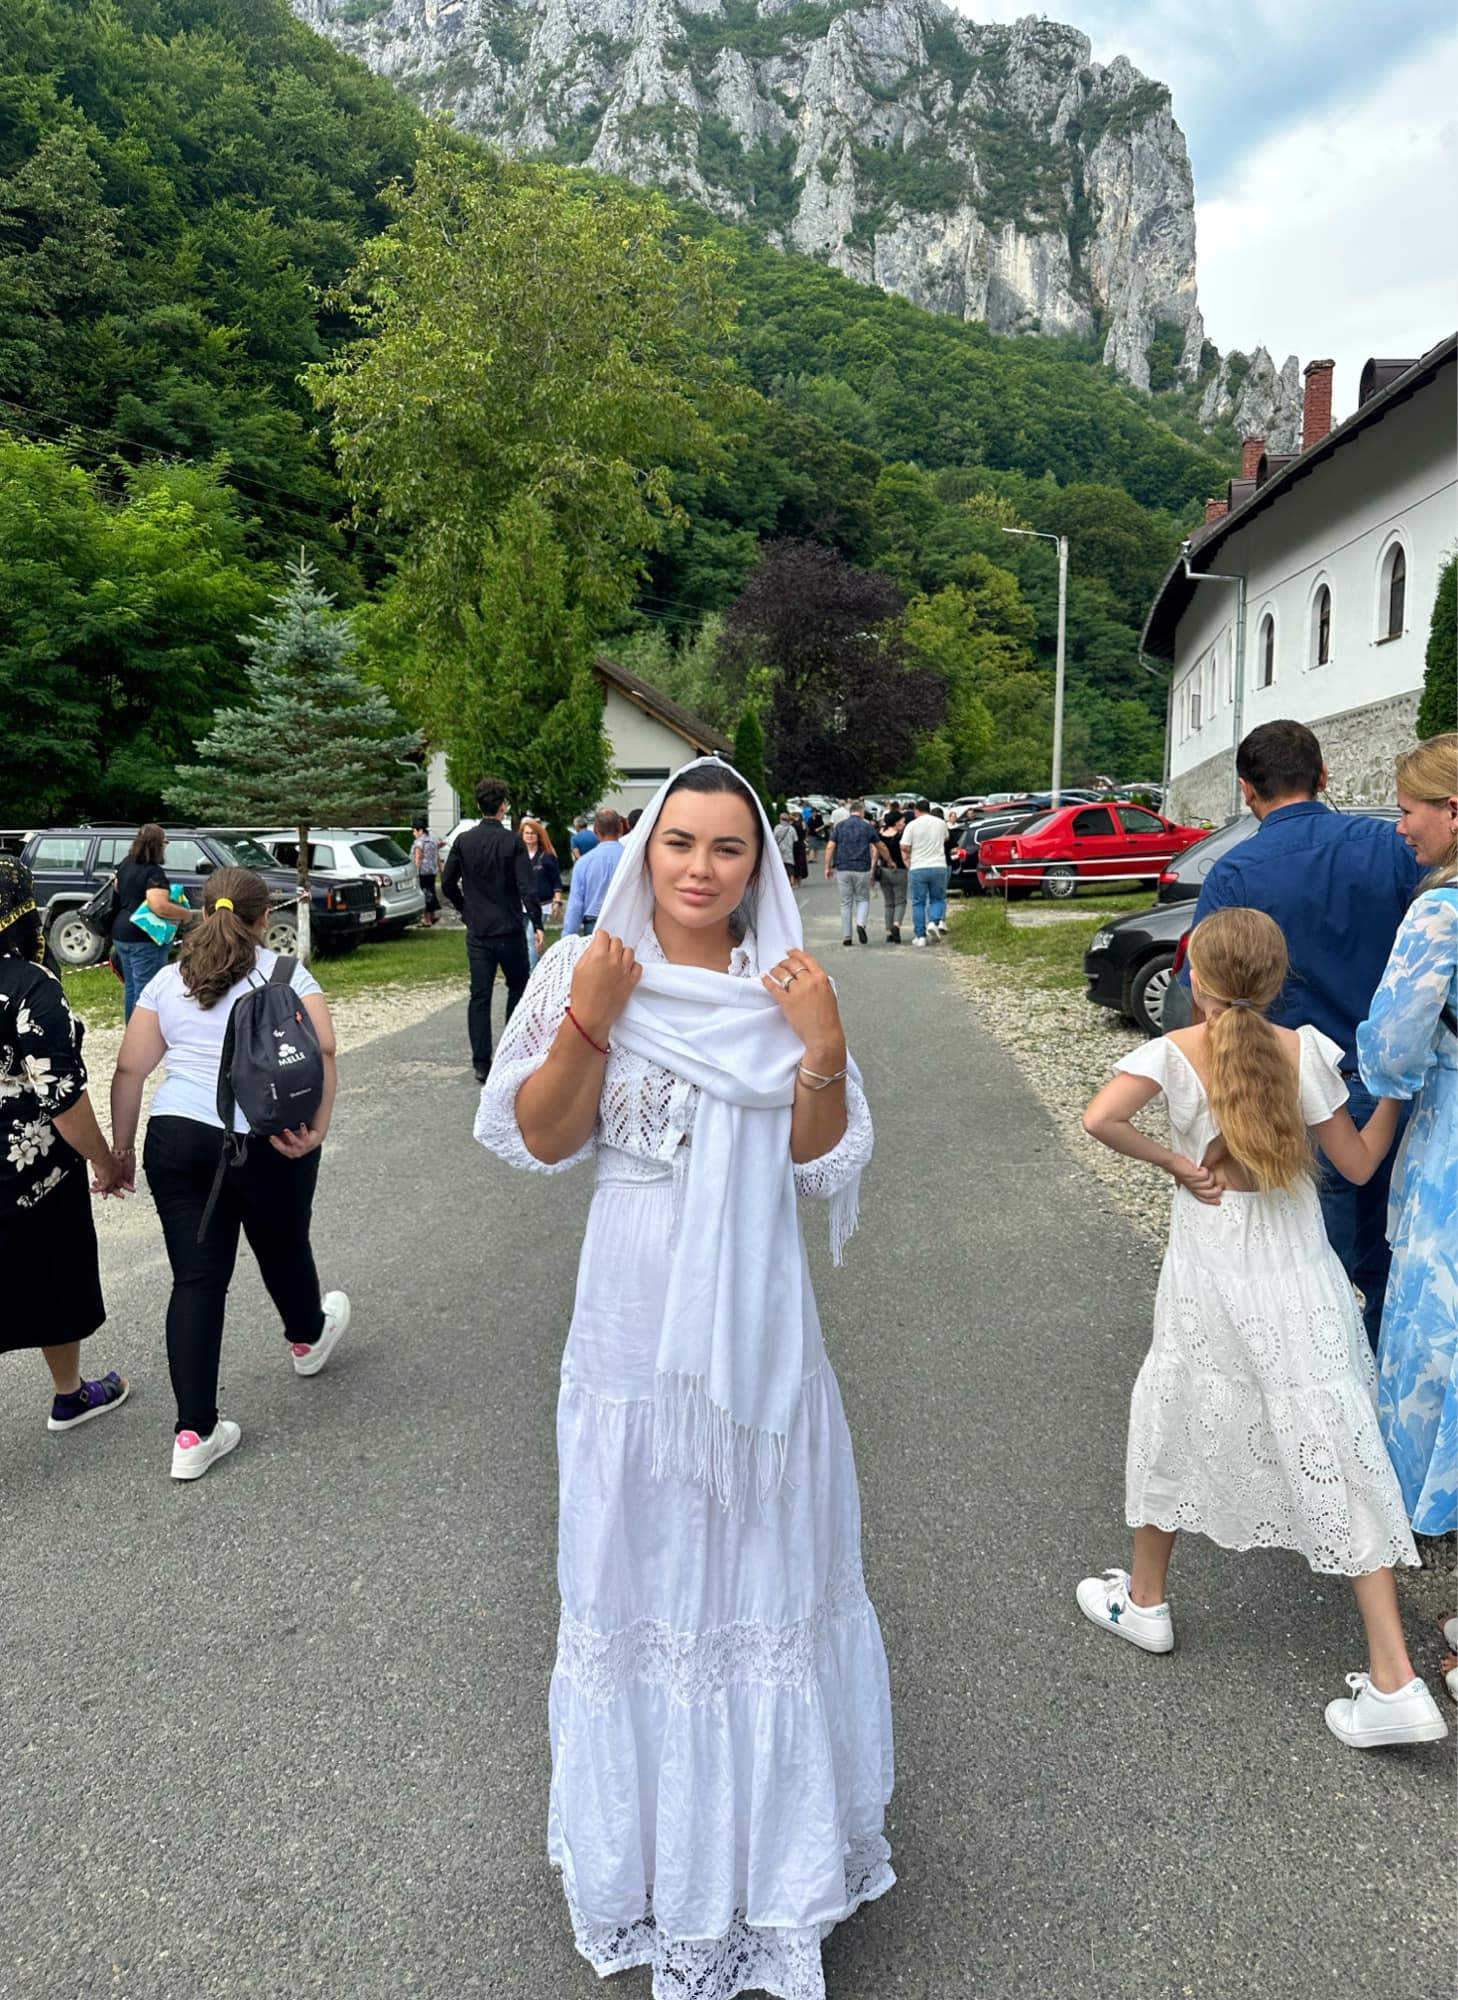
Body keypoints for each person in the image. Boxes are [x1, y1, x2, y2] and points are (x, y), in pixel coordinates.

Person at [474, 757, 893, 1995]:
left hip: (759, 1316)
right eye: (680, 843)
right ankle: (653, 1867)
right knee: (639, 1567)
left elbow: (819, 1166)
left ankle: (773, 1873)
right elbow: (543, 1137)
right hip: (630, 1305)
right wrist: (595, 1017)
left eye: (728, 848)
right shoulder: (581, 970)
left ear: (759, 863)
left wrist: (821, 1047)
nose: (702, 868)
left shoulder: (787, 987)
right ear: (644, 851)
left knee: (764, 1571)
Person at [1079, 906, 1445, 1750]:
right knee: (1331, 1431)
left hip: (1212, 1263)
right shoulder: (1306, 1051)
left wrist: (1177, 1165)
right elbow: (1354, 1164)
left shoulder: (1169, 1054)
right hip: (1296, 1263)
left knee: (1179, 1401)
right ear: (1277, 983)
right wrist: (1392, 1096)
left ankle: (1146, 1601)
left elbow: (1101, 1119)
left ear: (1196, 979)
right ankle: (1393, 1674)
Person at [1184, 720, 1420, 1348]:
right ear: (1323, 777)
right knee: (1394, 1252)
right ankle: (1383, 1395)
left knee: (1311, 1266)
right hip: (1393, 1086)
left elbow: (1205, 998)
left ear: (1245, 791)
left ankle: (1321, 1403)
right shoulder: (1395, 846)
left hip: (1291, 1096)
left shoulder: (1233, 875)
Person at [109, 868, 349, 1482]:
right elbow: (322, 1051)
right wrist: (317, 1128)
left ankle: (194, 1432)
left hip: (179, 1139)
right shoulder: (290, 975)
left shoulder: (168, 980)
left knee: (196, 1280)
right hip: (270, 1136)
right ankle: (306, 1336)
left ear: (201, 910)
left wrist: (122, 1151)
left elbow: (130, 1071)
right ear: (265, 916)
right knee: (283, 1243)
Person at [1357, 733, 1457, 1547]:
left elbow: (1392, 1044)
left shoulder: (1440, 910)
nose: (1400, 828)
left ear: (1453, 812)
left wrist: (1390, 1087)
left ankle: (1430, 1498)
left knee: (1438, 1318)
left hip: (1451, 1138)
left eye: (1408, 810)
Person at [0, 858, 131, 1431]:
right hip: (28, 1173)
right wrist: (105, 1160)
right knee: (53, 1268)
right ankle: (69, 1393)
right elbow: (61, 1096)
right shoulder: (29, 984)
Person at [443, 777, 544, 1083]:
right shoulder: (512, 842)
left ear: (478, 805)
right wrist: (537, 923)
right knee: (518, 987)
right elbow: (527, 887)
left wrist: (465, 910)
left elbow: (447, 883)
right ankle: (511, 1052)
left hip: (479, 931)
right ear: (503, 806)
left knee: (480, 995)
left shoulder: (464, 841)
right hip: (510, 929)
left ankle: (481, 1063)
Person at [111, 823, 198, 1021]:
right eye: (165, 842)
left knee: (132, 988)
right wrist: (185, 914)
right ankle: (141, 1037)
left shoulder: (126, 863)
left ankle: (131, 1030)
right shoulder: (154, 872)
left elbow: (117, 887)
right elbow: (158, 905)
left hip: (121, 933)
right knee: (147, 991)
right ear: (158, 845)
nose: (167, 846)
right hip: (144, 937)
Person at [824, 799, 889, 946]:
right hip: (862, 868)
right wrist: (889, 860)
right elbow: (880, 846)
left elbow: (830, 847)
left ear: (850, 812)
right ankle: (860, 924)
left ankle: (847, 936)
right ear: (861, 812)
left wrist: (827, 867)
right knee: (862, 899)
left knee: (845, 903)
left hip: (843, 868)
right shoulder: (867, 827)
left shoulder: (840, 827)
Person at [560, 809, 624, 940]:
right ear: (621, 828)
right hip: (625, 920)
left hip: (594, 922)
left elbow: (576, 904)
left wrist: (567, 936)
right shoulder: (634, 859)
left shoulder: (583, 863)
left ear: (596, 830)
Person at [900, 799, 950, 945]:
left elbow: (904, 846)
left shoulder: (912, 825)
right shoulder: (940, 823)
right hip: (939, 865)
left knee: (918, 902)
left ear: (916, 811)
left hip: (918, 866)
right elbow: (946, 838)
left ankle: (920, 936)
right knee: (938, 898)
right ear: (929, 809)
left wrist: (913, 850)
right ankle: (933, 922)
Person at [519, 817, 563, 974]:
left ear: (538, 836)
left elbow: (556, 881)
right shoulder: (518, 856)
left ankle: (532, 974)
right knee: (522, 940)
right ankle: (532, 969)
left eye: (532, 833)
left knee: (533, 938)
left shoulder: (547, 857)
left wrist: (557, 902)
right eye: (526, 833)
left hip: (541, 905)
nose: (529, 836)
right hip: (520, 904)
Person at [875, 802, 909, 943]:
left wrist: (872, 872)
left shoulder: (879, 836)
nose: (904, 822)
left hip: (883, 871)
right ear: (896, 822)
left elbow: (875, 854)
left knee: (889, 902)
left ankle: (889, 931)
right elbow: (904, 855)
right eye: (902, 821)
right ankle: (896, 924)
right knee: (900, 901)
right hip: (899, 870)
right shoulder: (901, 837)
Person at [411, 820, 442, 927]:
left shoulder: (419, 842)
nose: (413, 834)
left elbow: (418, 858)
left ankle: (426, 919)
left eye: (414, 831)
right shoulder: (432, 841)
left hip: (422, 872)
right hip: (432, 871)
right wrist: (440, 868)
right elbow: (437, 856)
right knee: (431, 892)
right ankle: (432, 915)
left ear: (420, 830)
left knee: (424, 894)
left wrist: (415, 871)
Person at [773, 808, 798, 882]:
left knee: (781, 865)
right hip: (789, 849)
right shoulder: (791, 828)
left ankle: (783, 881)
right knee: (790, 865)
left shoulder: (777, 827)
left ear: (780, 819)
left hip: (780, 849)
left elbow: (774, 838)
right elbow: (795, 839)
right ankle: (792, 880)